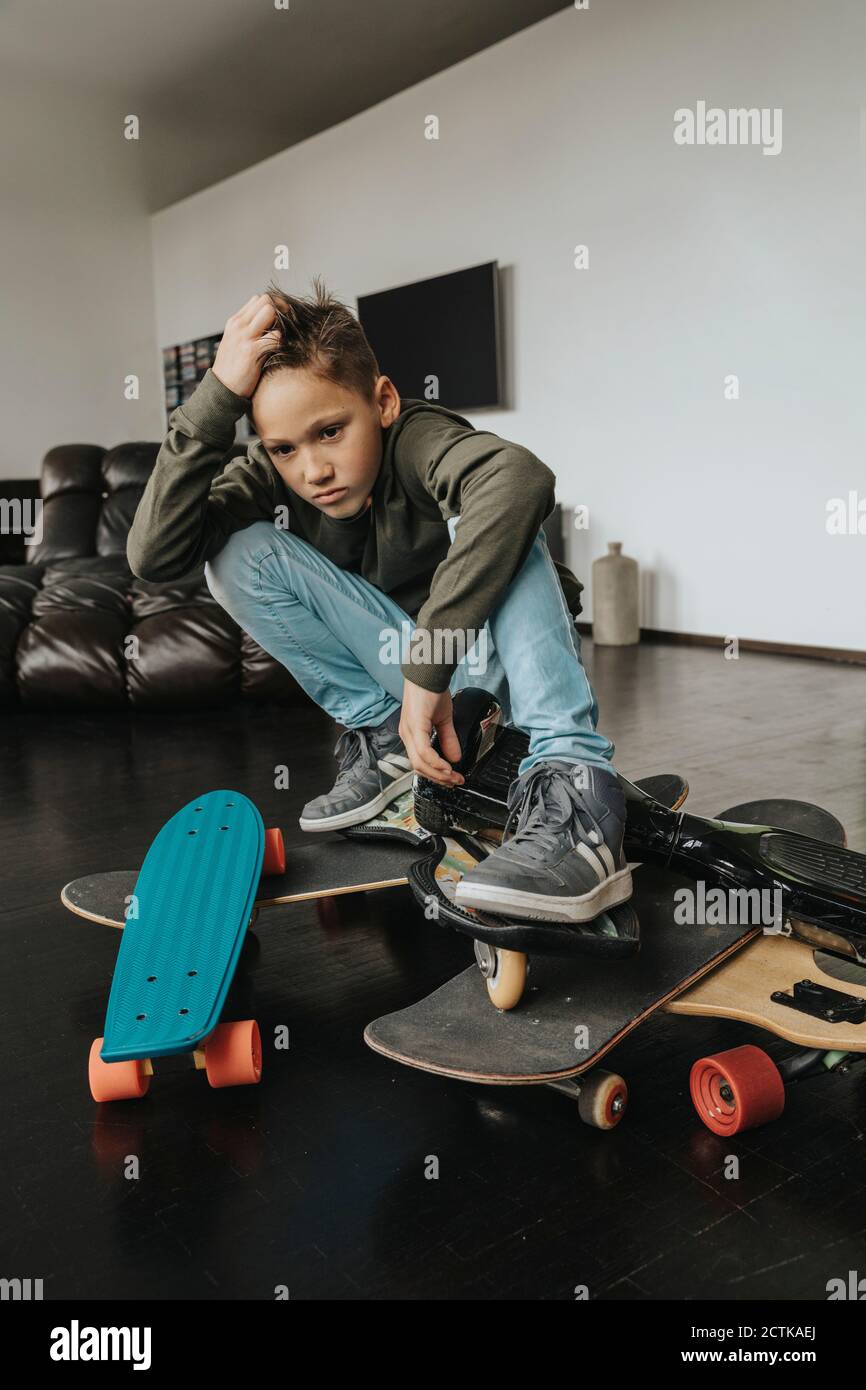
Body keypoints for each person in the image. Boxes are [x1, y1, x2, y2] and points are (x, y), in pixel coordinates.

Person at [127, 281, 629, 924]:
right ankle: (383, 741)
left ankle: (575, 784)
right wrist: (217, 396)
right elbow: (155, 558)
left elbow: (519, 478)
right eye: (285, 449)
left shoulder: (416, 437)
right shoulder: (267, 476)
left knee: (500, 503)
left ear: (383, 401)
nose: (313, 471)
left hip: (496, 678)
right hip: (409, 699)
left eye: (331, 431)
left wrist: (429, 664)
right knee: (233, 554)